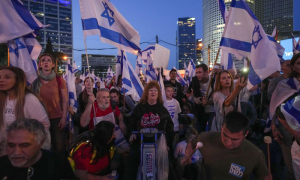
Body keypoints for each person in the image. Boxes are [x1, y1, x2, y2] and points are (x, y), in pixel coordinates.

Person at [183, 111, 270, 180]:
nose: (228, 142)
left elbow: (265, 176)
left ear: (245, 134)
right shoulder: (207, 137)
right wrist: (188, 155)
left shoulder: (255, 154)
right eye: (225, 135)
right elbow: (192, 142)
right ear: (222, 127)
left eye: (234, 139)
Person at [124, 81, 175, 180]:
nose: (153, 92)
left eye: (155, 90)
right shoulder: (139, 108)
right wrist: (131, 134)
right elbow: (131, 123)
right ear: (146, 92)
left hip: (159, 142)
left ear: (158, 93)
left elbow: (170, 127)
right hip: (141, 140)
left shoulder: (162, 110)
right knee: (133, 158)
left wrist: (167, 142)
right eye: (150, 90)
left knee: (167, 162)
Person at [0, 119, 75, 180]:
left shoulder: (57, 162)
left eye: (24, 145)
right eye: (11, 145)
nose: (16, 152)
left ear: (41, 142)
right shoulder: (2, 165)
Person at [0, 66, 51, 155]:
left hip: (27, 151)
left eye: (7, 77)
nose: (1, 80)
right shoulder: (3, 99)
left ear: (18, 80)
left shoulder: (29, 99)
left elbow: (44, 125)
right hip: (7, 150)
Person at [269, 54, 300, 179]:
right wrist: (273, 126)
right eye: (299, 63)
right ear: (293, 67)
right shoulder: (284, 85)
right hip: (289, 132)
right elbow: (276, 108)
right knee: (291, 167)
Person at [31, 53, 68, 153]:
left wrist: (64, 117)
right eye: (43, 60)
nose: (45, 62)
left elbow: (65, 100)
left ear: (53, 65)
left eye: (48, 60)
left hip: (56, 118)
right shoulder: (34, 81)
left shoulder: (59, 80)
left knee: (59, 147)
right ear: (40, 64)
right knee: (41, 146)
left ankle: (59, 167)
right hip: (39, 118)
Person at [188, 64, 215, 132]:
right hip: (200, 111)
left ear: (206, 72)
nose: (198, 75)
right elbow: (191, 95)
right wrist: (196, 99)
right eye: (196, 73)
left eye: (200, 72)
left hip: (212, 111)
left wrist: (208, 102)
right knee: (199, 132)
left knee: (211, 131)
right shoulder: (195, 81)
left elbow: (218, 98)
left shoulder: (214, 81)